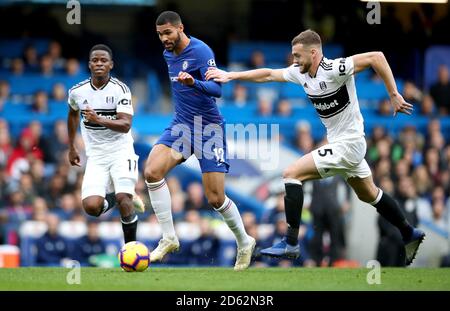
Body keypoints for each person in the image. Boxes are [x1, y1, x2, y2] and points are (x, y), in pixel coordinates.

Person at [206, 29, 425, 266]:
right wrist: (231, 75)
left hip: (349, 144)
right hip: (344, 146)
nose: (294, 60)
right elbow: (268, 74)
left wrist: (393, 94)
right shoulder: (301, 73)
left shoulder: (335, 68)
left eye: (298, 56)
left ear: (313, 52)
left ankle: (290, 242)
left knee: (291, 174)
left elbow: (377, 57)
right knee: (369, 194)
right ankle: (409, 232)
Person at [144, 11, 255, 271]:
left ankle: (244, 241)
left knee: (216, 198)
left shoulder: (201, 51)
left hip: (208, 129)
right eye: (160, 34)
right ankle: (169, 237)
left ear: (181, 28)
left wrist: (194, 82)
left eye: (168, 33)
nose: (164, 39)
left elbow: (217, 89)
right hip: (182, 126)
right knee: (151, 171)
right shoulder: (167, 54)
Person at [67, 44, 144, 244]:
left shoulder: (121, 90)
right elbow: (73, 114)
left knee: (124, 198)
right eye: (95, 60)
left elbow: (126, 125)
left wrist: (98, 119)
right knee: (91, 207)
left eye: (103, 60)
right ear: (89, 64)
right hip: (96, 156)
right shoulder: (77, 91)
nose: (99, 63)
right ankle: (116, 197)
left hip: (121, 151)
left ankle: (131, 250)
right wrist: (72, 146)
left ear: (111, 65)